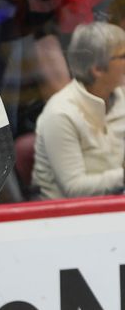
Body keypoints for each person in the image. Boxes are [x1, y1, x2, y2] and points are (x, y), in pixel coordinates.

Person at [32, 21, 125, 199]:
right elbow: (74, 188)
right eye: (123, 56)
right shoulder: (61, 113)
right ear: (97, 69)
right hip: (64, 218)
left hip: (113, 207)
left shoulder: (121, 96)